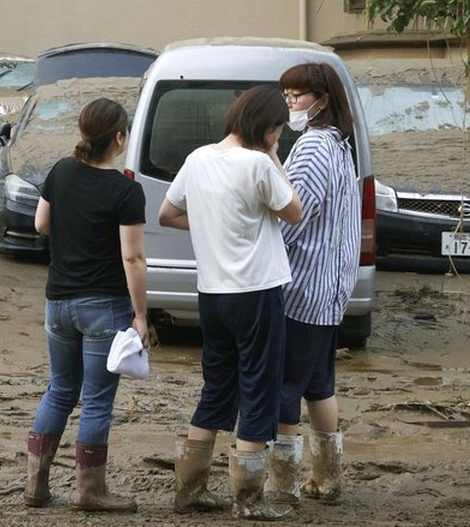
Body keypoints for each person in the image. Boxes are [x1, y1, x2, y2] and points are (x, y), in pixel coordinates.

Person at [158, 84, 302, 521]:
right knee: (259, 388)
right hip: (256, 291)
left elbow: (166, 214)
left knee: (217, 386)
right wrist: (275, 156)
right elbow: (294, 210)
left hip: (212, 293)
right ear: (269, 127)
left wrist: (208, 227)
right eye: (279, 129)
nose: (279, 135)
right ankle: (248, 499)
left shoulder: (197, 158)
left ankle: (190, 490)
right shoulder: (259, 163)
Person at [23, 97, 149, 513]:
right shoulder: (125, 191)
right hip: (104, 307)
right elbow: (132, 258)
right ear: (118, 138)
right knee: (96, 400)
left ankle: (36, 486)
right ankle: (89, 491)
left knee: (59, 389)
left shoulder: (60, 171)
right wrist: (142, 315)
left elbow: (41, 223)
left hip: (57, 303)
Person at [266, 63, 361, 505]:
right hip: (331, 289)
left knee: (286, 387)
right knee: (319, 384)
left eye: (298, 96)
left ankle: (281, 484)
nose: (290, 103)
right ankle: (327, 478)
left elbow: (292, 216)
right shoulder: (342, 146)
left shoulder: (312, 148)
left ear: (322, 99)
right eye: (286, 95)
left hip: (301, 290)